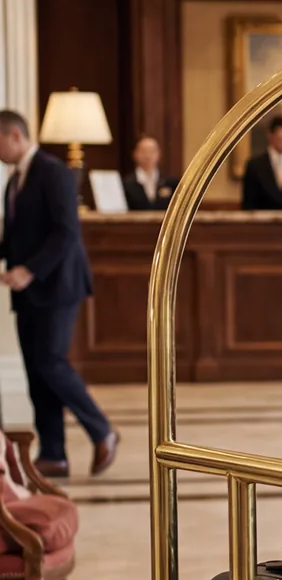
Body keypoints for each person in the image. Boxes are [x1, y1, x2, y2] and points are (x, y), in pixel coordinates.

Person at [0, 110, 118, 478]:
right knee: (36, 371)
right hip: (29, 293)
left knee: (51, 361)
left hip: (58, 287)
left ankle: (102, 430)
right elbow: (18, 237)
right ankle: (53, 453)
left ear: (14, 136)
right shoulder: (13, 181)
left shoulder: (53, 173)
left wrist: (28, 270)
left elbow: (66, 233)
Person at [122, 135, 178, 213]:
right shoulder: (125, 183)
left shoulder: (170, 182)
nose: (148, 156)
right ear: (135, 154)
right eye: (143, 151)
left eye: (152, 151)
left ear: (159, 154)